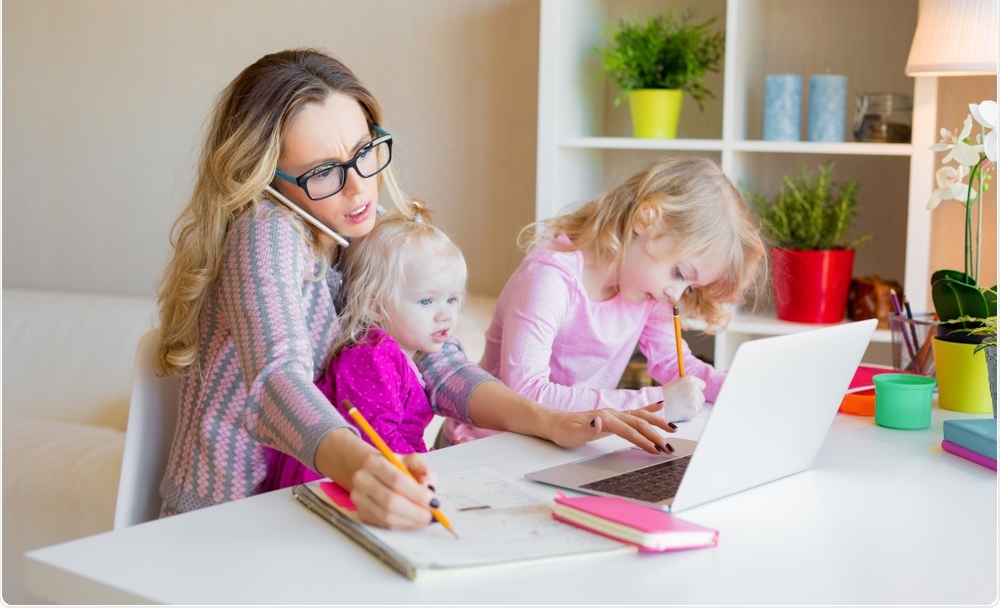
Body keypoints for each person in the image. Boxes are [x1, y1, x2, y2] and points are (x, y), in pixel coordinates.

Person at [154, 47, 672, 530]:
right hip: (227, 520)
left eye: (364, 152)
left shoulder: (357, 225)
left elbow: (436, 361)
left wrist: (550, 420)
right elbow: (276, 380)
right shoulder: (265, 231)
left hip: (304, 503)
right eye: (323, 173)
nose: (359, 187)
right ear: (267, 180)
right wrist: (364, 469)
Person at [444, 156, 767, 445]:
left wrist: (742, 387)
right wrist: (653, 404)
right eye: (680, 272)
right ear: (646, 220)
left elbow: (677, 366)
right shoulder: (551, 277)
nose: (676, 294)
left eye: (690, 287)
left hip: (565, 444)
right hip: (487, 444)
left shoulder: (647, 291)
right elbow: (525, 394)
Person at [263, 201, 466, 490]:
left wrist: (432, 460)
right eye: (426, 301)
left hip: (374, 472)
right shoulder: (372, 356)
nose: (445, 314)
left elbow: (402, 437)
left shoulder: (404, 356)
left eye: (452, 299)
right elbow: (379, 439)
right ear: (375, 306)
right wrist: (427, 467)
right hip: (323, 482)